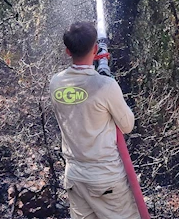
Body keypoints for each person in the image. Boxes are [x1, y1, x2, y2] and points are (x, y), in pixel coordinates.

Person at [50, 21, 139, 219]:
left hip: (75, 177)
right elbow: (127, 125)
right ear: (96, 49)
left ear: (67, 51)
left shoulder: (55, 82)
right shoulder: (105, 86)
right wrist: (107, 81)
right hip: (105, 180)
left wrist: (101, 78)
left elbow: (82, 95)